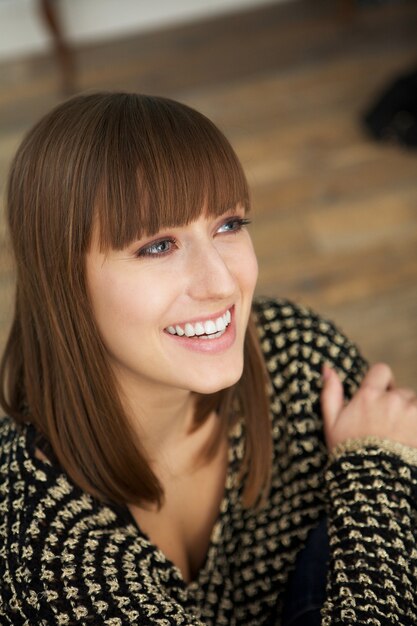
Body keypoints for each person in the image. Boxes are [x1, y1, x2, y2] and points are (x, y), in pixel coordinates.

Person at [0, 92, 416, 626]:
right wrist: (374, 477)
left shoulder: (298, 357)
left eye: (228, 226)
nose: (222, 283)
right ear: (63, 282)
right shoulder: (39, 550)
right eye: (157, 246)